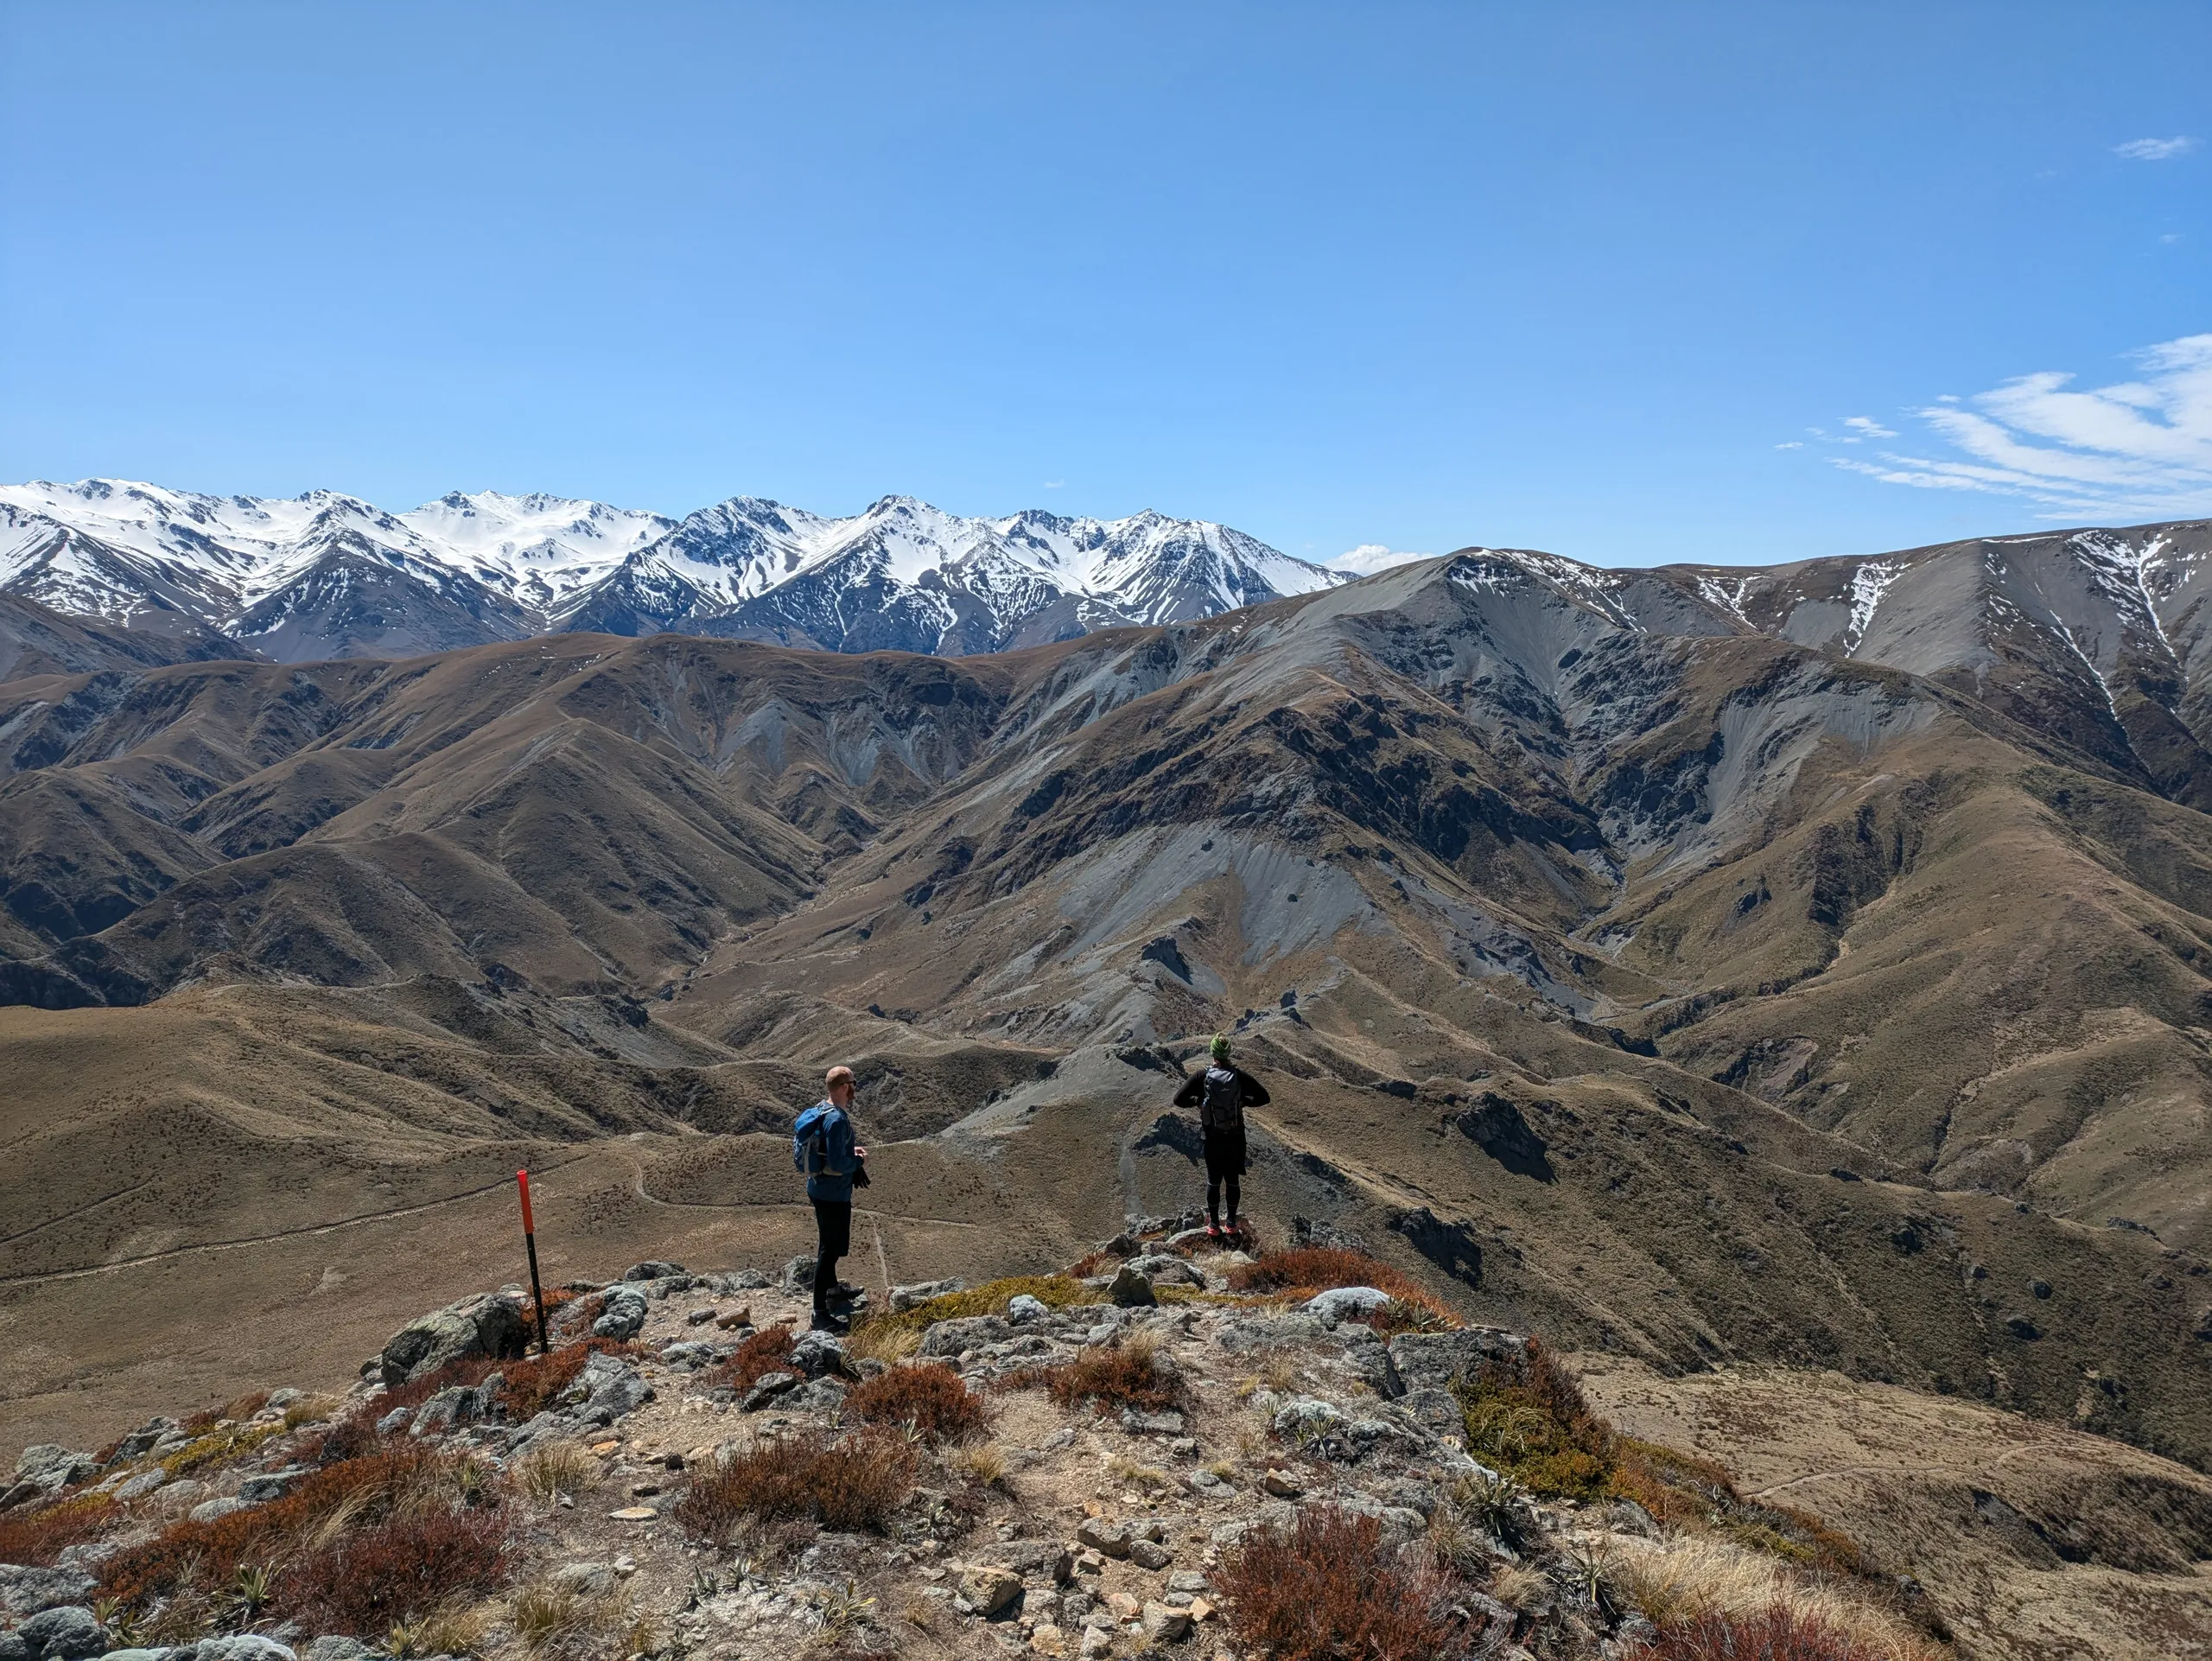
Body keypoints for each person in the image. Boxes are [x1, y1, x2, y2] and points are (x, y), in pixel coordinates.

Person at [792, 1065, 869, 1332]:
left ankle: (834, 1291)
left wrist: (850, 1151)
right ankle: (819, 1313)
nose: (855, 1088)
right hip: (832, 1193)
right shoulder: (836, 1119)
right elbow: (838, 1163)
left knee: (831, 1244)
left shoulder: (823, 1109)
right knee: (830, 1249)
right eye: (854, 1084)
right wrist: (858, 1160)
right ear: (845, 1087)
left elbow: (829, 1151)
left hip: (819, 1188)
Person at [1173, 1034, 1269, 1241]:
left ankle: (1214, 1225)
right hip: (1235, 1138)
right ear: (1229, 1053)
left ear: (1212, 1052)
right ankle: (1232, 1223)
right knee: (1233, 1180)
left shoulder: (1202, 1077)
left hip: (1213, 1138)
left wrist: (1198, 1101)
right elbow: (1264, 1097)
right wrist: (1243, 1102)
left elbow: (1178, 1099)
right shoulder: (1239, 1076)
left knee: (1214, 1181)